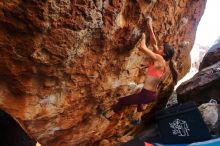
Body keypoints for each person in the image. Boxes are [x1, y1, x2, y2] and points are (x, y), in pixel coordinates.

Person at [102, 17, 178, 122]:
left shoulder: (159, 58)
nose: (158, 48)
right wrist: (150, 26)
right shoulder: (165, 63)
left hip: (146, 94)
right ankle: (137, 117)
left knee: (123, 101)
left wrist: (143, 37)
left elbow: (142, 48)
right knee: (139, 95)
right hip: (151, 94)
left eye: (161, 48)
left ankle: (107, 115)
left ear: (164, 53)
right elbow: (154, 43)